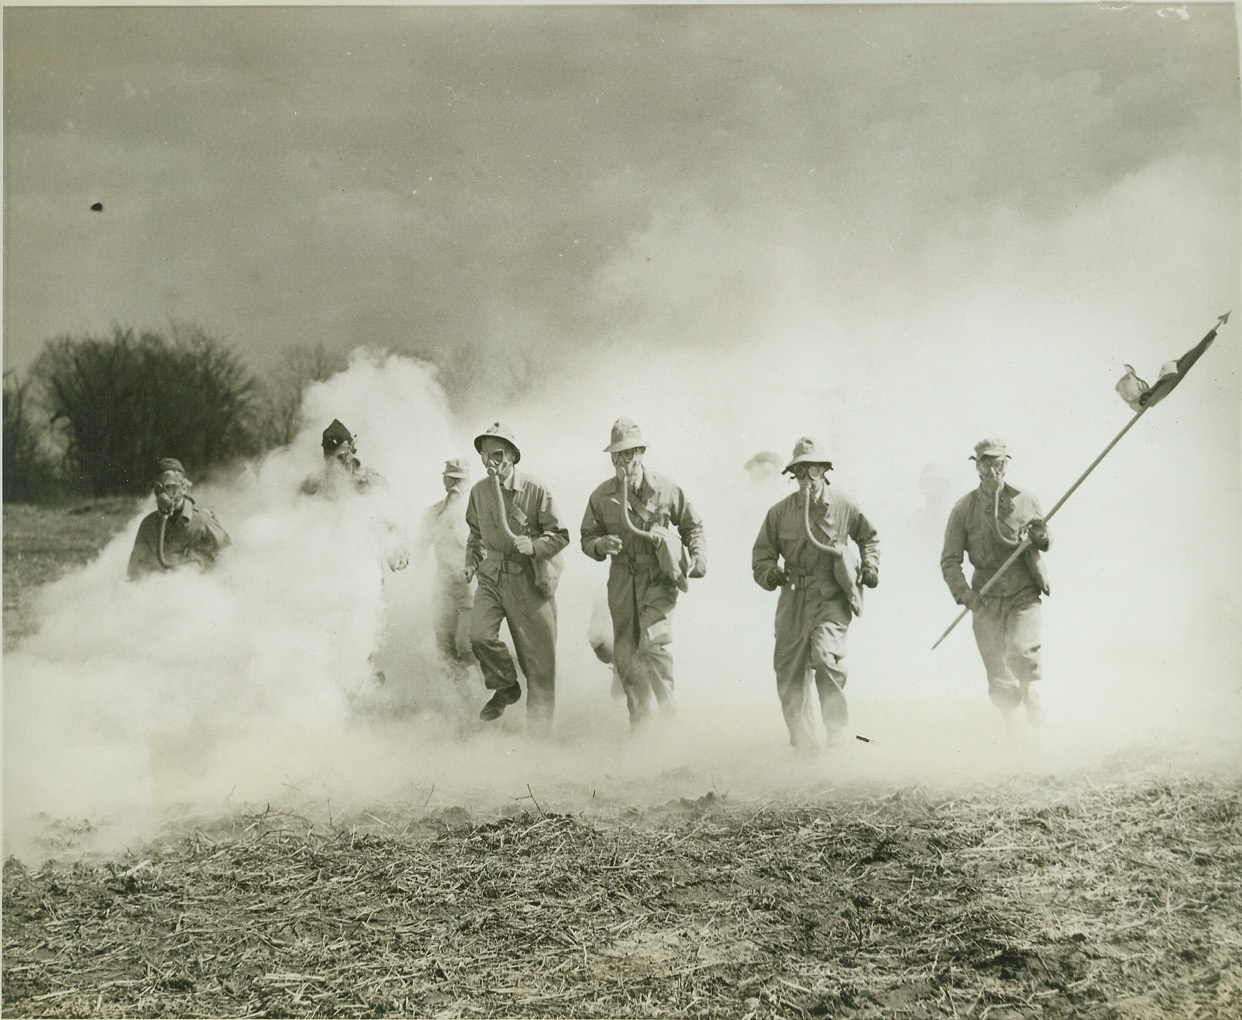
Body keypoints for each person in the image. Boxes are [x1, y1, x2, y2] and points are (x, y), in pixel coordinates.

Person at [751, 437, 879, 753]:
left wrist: (870, 567)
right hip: (793, 597)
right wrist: (771, 573)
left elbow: (869, 538)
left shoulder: (845, 505)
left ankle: (836, 731)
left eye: (813, 471)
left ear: (824, 471)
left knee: (825, 656)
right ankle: (805, 746)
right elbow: (762, 556)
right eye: (800, 472)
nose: (806, 479)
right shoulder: (779, 513)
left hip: (831, 597)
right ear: (792, 474)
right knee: (789, 672)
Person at [580, 418, 706, 730]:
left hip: (657, 576)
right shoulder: (601, 496)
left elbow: (692, 525)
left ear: (640, 453)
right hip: (622, 578)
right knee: (625, 655)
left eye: (626, 454)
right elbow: (586, 536)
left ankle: (668, 712)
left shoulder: (666, 487)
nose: (620, 461)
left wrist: (699, 557)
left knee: (653, 642)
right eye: (615, 455)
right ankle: (641, 723)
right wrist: (599, 544)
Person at [463, 423, 569, 731]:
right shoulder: (479, 492)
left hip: (528, 579)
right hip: (492, 577)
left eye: (498, 454)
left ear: (512, 456)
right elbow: (475, 535)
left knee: (539, 667)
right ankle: (506, 685)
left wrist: (534, 545)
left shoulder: (535, 489)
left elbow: (560, 535)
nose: (491, 462)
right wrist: (471, 562)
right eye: (485, 455)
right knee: (480, 635)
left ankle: (538, 744)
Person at [940, 438, 1051, 728]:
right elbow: (950, 560)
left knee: (1022, 651)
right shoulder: (964, 508)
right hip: (985, 598)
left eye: (999, 463)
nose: (993, 470)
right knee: (997, 669)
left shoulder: (1026, 499)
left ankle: (1033, 700)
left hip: (1023, 592)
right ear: (976, 466)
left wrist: (1040, 536)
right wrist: (965, 595)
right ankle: (1011, 729)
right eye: (986, 463)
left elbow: (1046, 539)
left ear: (1007, 464)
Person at [300, 419, 409, 571]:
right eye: (329, 458)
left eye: (341, 457)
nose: (335, 465)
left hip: (363, 569)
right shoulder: (312, 486)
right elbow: (297, 523)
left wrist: (398, 553)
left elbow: (391, 521)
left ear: (351, 452)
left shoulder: (371, 481)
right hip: (325, 569)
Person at [128, 458, 230, 580]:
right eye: (158, 488)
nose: (164, 494)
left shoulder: (202, 521)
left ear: (183, 488)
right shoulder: (148, 525)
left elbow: (229, 559)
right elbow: (134, 570)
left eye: (171, 487)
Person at [419, 458, 476, 676]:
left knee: (467, 646)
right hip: (442, 585)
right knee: (445, 650)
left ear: (468, 482)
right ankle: (465, 703)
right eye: (451, 479)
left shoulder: (477, 511)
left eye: (460, 481)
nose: (455, 485)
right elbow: (420, 548)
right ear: (443, 480)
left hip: (469, 586)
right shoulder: (432, 512)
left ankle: (490, 689)